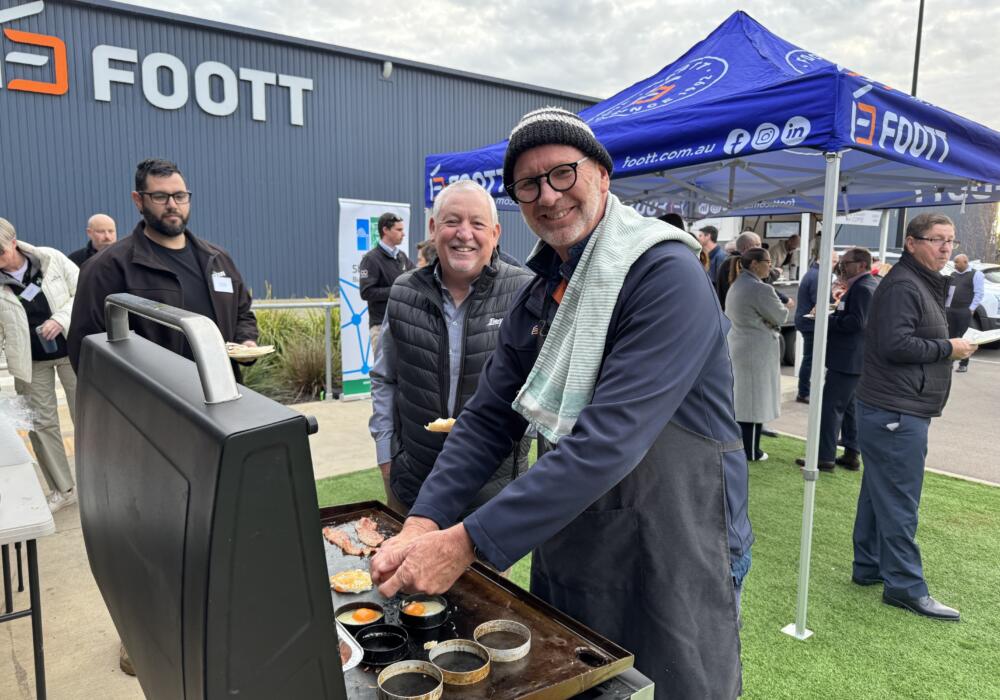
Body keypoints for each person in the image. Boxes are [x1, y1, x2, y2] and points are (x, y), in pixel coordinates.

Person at [370, 106, 750, 698]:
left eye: (563, 174)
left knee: (674, 684)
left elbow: (609, 440)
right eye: (528, 183)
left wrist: (464, 543)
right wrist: (424, 519)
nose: (548, 196)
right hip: (573, 532)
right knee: (575, 679)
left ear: (602, 174)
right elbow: (489, 417)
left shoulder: (664, 274)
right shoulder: (545, 287)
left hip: (671, 532)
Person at [369, 180, 532, 516]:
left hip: (490, 492)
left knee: (479, 572)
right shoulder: (403, 291)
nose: (464, 234)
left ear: (496, 233)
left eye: (477, 223)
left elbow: (543, 389)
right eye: (452, 221)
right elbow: (386, 378)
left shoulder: (525, 293)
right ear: (433, 228)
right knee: (404, 569)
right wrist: (386, 454)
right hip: (412, 482)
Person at [852, 213, 975, 621]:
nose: (945, 248)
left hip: (893, 408)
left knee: (877, 491)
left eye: (950, 241)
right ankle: (905, 587)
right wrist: (948, 349)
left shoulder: (917, 281)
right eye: (936, 240)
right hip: (895, 411)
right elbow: (895, 344)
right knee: (900, 501)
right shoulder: (905, 284)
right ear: (910, 242)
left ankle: (867, 567)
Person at [69, 158, 258, 374]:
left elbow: (242, 313)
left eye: (180, 196)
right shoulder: (106, 267)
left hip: (223, 391)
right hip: (158, 402)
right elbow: (87, 349)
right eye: (160, 196)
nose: (172, 205)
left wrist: (246, 341)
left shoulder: (217, 259)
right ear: (138, 200)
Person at [0, 218, 79, 512]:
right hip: (31, 361)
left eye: (1, 253)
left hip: (71, 349)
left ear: (14, 242)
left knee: (86, 415)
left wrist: (60, 319)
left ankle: (100, 478)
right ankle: (63, 488)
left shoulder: (51, 258)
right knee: (42, 424)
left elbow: (81, 291)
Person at [794, 248, 877, 472]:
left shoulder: (862, 288)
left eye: (846, 262)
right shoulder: (862, 286)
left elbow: (856, 323)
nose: (841, 266)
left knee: (831, 408)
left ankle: (824, 457)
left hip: (848, 358)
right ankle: (851, 452)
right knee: (849, 408)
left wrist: (828, 320)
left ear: (861, 265)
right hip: (851, 358)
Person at [725, 247, 791, 462]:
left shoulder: (737, 284)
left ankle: (745, 448)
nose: (770, 266)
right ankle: (751, 451)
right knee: (754, 404)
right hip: (756, 351)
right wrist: (771, 319)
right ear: (754, 264)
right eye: (767, 262)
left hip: (742, 348)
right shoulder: (760, 289)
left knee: (744, 401)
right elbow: (781, 316)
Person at [359, 212, 415, 358]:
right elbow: (366, 292)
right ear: (385, 230)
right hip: (381, 326)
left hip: (402, 324)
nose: (403, 234)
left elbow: (416, 279)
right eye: (399, 230)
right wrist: (398, 290)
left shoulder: (402, 256)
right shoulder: (371, 259)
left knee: (403, 375)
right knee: (383, 376)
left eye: (403, 230)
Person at [794, 251, 839, 403]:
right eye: (834, 261)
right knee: (810, 359)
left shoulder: (813, 273)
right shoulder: (818, 276)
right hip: (810, 323)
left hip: (808, 321)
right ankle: (803, 392)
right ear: (824, 260)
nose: (835, 265)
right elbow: (820, 301)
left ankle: (805, 390)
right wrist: (836, 300)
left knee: (811, 358)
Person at [945, 253, 984, 374]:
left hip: (964, 310)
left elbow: (979, 293)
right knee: (949, 336)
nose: (955, 265)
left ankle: (963, 364)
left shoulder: (976, 274)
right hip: (950, 310)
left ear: (965, 262)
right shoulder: (953, 275)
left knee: (964, 337)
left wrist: (971, 309)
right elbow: (949, 293)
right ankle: (949, 361)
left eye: (957, 262)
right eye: (954, 262)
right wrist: (945, 307)